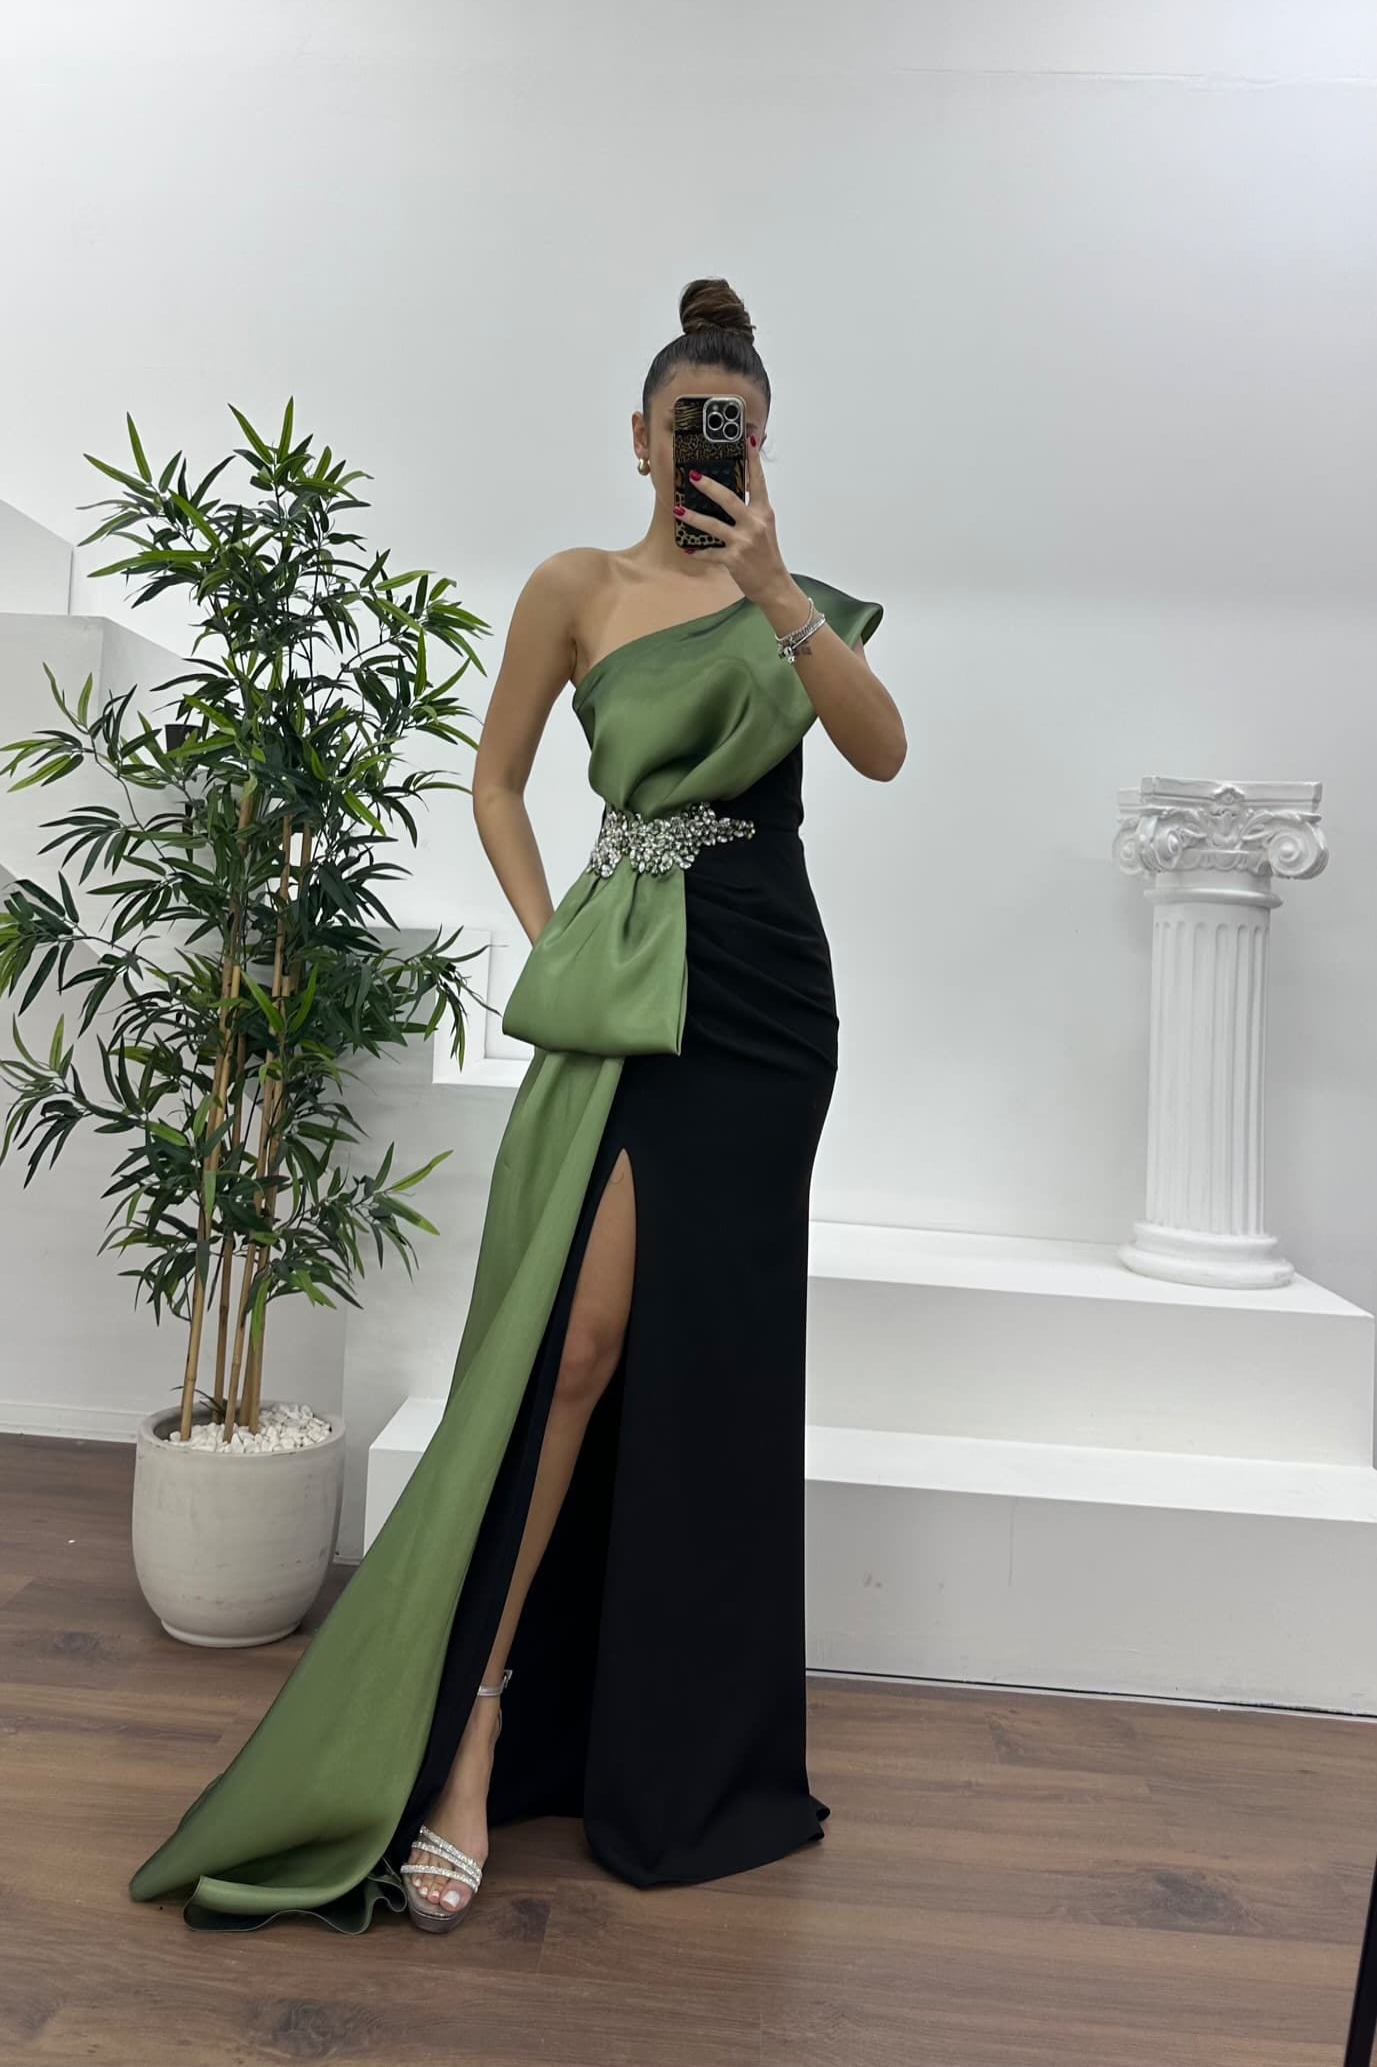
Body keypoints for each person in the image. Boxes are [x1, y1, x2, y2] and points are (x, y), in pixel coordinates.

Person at [127, 275, 906, 1935]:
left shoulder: (790, 599)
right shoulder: (574, 586)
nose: (707, 452)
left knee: (713, 1371)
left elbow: (881, 749)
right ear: (638, 435)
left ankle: (678, 1752)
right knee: (577, 1349)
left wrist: (776, 591)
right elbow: (494, 776)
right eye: (688, 426)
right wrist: (556, 933)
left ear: (763, 448)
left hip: (766, 997)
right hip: (625, 990)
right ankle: (475, 1730)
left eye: (737, 433)